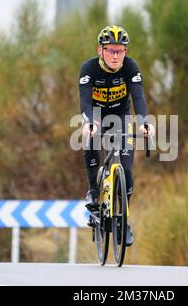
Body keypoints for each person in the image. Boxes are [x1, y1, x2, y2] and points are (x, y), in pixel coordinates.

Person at [78, 25, 153, 246]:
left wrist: (143, 123)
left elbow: (139, 98)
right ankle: (93, 190)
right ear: (100, 50)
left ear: (125, 52)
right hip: (97, 114)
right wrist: (89, 122)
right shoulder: (88, 69)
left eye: (120, 51)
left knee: (127, 171)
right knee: (89, 136)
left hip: (121, 116)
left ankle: (124, 222)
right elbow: (84, 99)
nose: (115, 55)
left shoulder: (130, 67)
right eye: (111, 50)